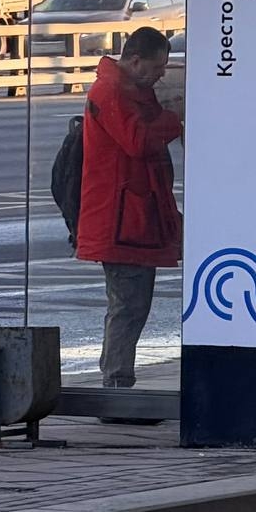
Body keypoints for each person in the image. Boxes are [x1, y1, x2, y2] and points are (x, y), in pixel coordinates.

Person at [76, 25, 182, 390]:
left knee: (133, 304)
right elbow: (138, 141)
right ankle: (117, 383)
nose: (161, 74)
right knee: (128, 306)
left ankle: (118, 381)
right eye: (157, 66)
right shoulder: (111, 92)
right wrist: (175, 117)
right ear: (135, 61)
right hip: (122, 221)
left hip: (135, 218)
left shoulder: (130, 90)